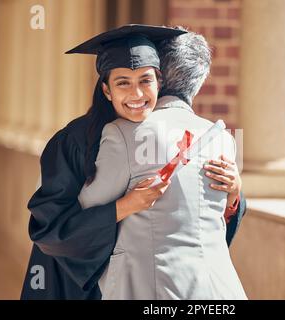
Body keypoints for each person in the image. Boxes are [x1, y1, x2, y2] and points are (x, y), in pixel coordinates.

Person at [20, 24, 246, 300]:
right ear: (106, 89)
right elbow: (49, 228)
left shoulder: (159, 134)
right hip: (77, 282)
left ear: (159, 82)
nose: (137, 95)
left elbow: (196, 219)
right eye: (123, 82)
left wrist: (234, 193)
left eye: (145, 80)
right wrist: (123, 207)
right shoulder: (74, 140)